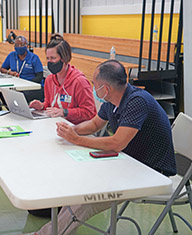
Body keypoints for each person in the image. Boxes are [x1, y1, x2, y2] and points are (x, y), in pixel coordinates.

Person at [35, 60, 177, 234]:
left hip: (152, 171)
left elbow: (117, 143)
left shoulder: (137, 102)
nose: (93, 88)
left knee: (89, 196)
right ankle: (57, 230)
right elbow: (95, 124)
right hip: (129, 162)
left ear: (106, 88)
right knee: (81, 184)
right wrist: (71, 130)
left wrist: (77, 139)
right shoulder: (112, 100)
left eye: (95, 84)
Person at [29, 34, 96, 125]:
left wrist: (64, 112)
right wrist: (41, 106)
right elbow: (49, 104)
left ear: (64, 58)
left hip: (76, 128)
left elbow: (89, 112)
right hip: (54, 124)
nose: (49, 62)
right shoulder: (49, 80)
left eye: (53, 58)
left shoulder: (79, 82)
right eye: (48, 58)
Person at [0, 36, 44, 102]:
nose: (20, 46)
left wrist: (26, 83)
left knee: (20, 95)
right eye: (17, 45)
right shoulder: (12, 55)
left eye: (22, 44)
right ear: (14, 46)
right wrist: (9, 72)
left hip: (32, 87)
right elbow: (2, 69)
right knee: (3, 94)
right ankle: (12, 110)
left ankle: (22, 111)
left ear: (27, 46)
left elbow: (39, 76)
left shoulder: (34, 58)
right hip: (17, 85)